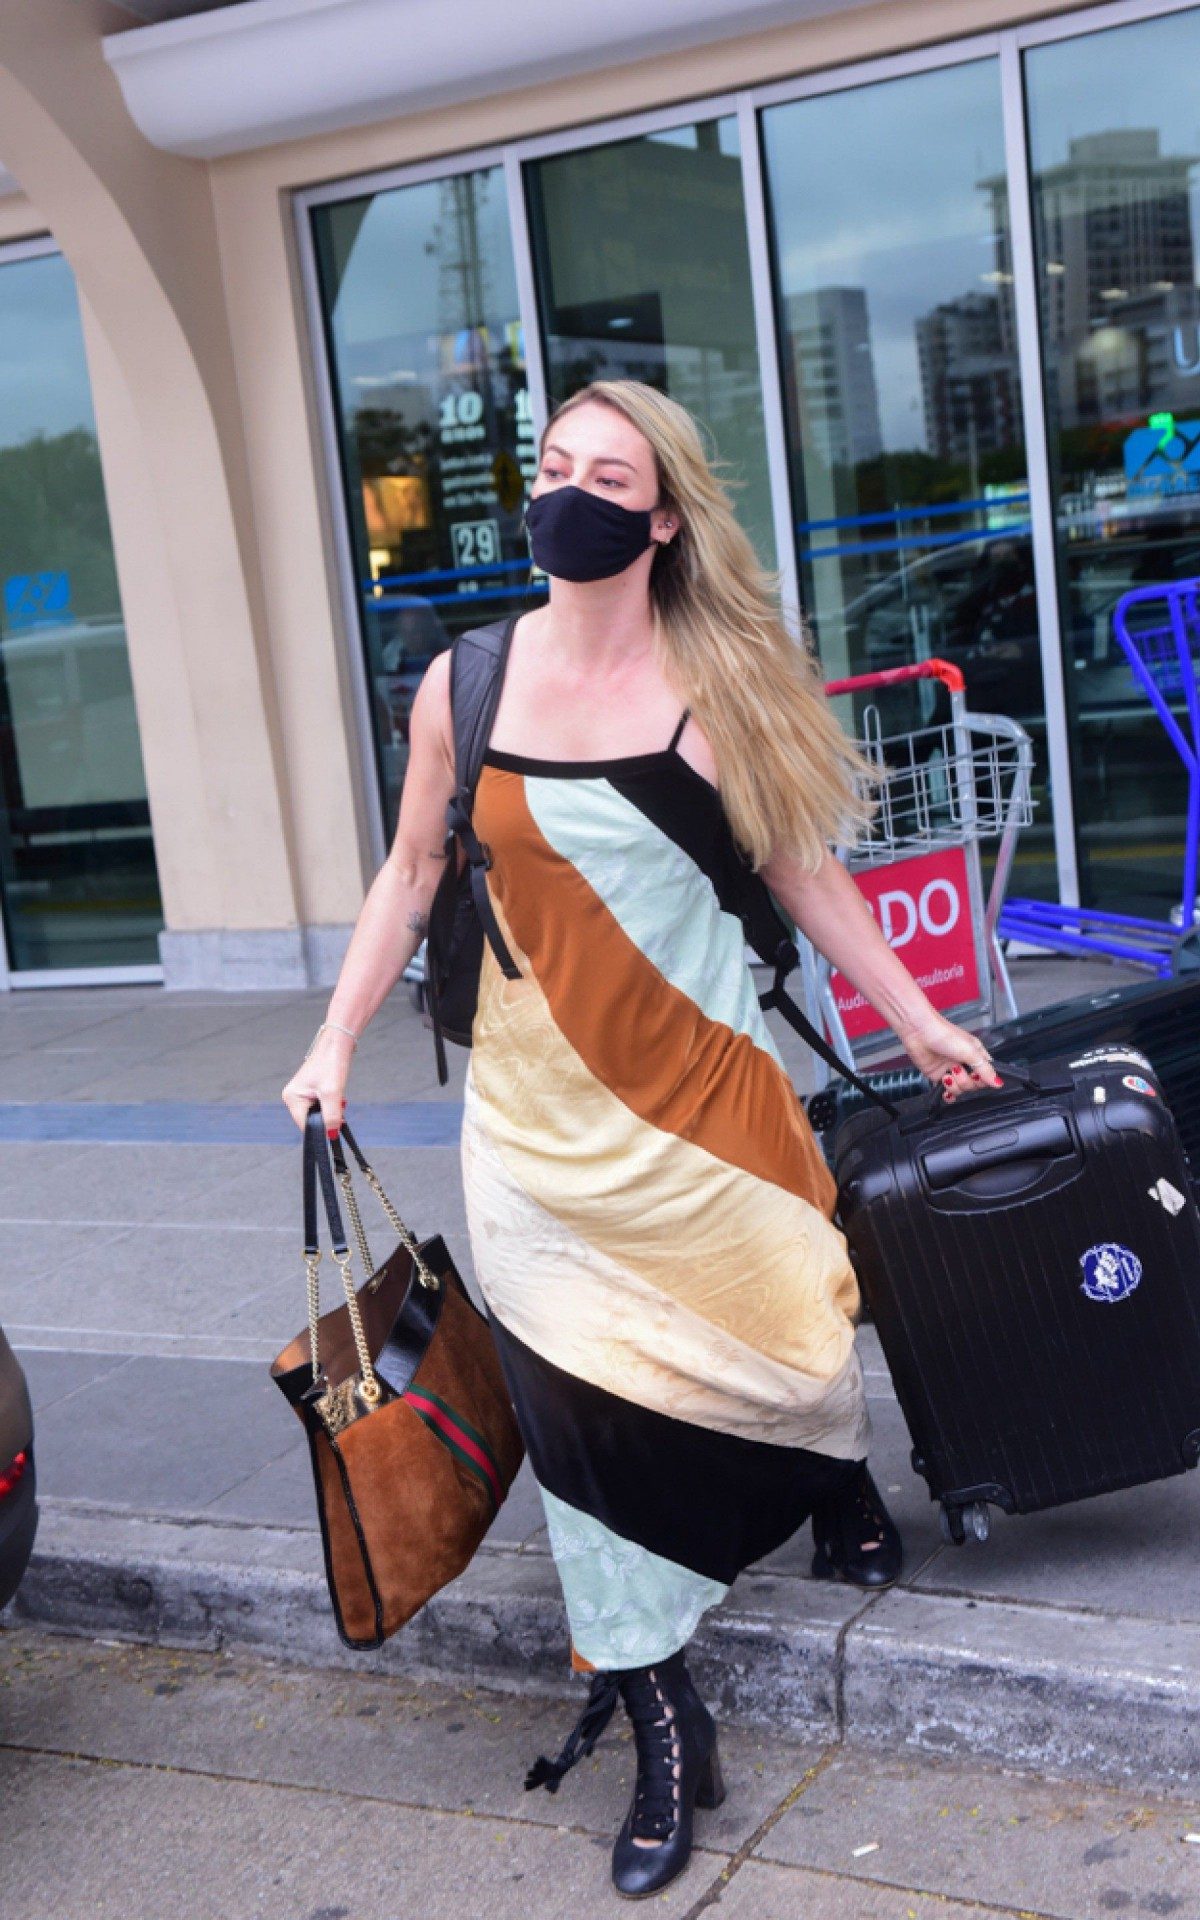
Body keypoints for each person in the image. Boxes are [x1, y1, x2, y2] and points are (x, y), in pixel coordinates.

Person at [282, 378, 1001, 1901]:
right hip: (534, 1133)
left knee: (795, 1336)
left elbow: (805, 879)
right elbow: (411, 875)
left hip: (708, 1107)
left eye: (608, 475)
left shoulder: (718, 684)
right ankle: (666, 1715)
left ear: (662, 514)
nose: (571, 495)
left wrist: (917, 1017)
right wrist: (333, 1041)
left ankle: (830, 1476)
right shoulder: (463, 686)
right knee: (580, 1428)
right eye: (552, 467)